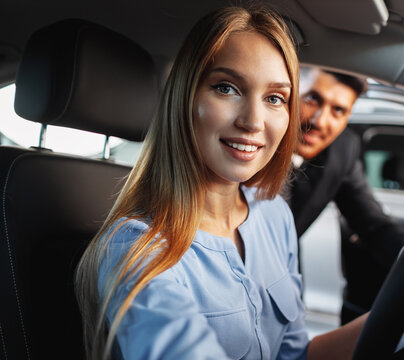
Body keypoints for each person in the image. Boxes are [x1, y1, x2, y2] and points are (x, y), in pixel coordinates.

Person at [75, 6, 368, 360]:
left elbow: (294, 354)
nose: (253, 121)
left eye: (275, 98)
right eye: (226, 88)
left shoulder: (275, 214)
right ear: (185, 98)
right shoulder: (135, 247)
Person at [287, 67, 404, 324]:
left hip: (285, 273)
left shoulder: (343, 149)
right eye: (312, 99)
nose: (320, 120)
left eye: (338, 111)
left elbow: (372, 223)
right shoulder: (249, 143)